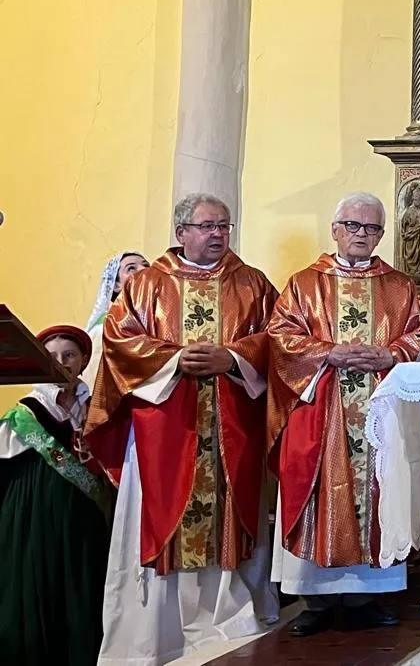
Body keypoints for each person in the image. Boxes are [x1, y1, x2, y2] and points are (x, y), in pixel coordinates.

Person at [85, 192, 279, 666]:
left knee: (231, 517)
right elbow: (119, 341)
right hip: (165, 427)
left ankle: (227, 621)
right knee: (160, 513)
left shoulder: (251, 283)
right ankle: (159, 634)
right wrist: (175, 359)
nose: (218, 234)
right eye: (208, 226)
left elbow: (276, 337)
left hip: (231, 426)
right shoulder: (146, 284)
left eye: (224, 226)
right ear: (182, 233)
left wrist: (230, 358)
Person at [267, 193, 420, 637]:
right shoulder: (303, 283)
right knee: (317, 492)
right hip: (321, 409)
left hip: (379, 412)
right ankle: (315, 602)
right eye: (354, 226)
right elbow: (280, 338)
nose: (362, 235)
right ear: (335, 229)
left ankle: (368, 598)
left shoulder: (399, 286)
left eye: (372, 228)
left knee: (380, 488)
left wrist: (389, 354)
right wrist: (329, 352)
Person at [0, 325, 114, 665]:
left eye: (70, 355)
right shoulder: (26, 412)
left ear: (83, 361)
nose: (62, 362)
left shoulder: (95, 409)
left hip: (82, 517)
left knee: (80, 583)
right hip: (34, 515)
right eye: (52, 356)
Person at [84, 250, 150, 391]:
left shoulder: (156, 322)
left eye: (146, 265)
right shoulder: (103, 330)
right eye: (131, 268)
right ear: (115, 286)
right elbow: (95, 384)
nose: (144, 270)